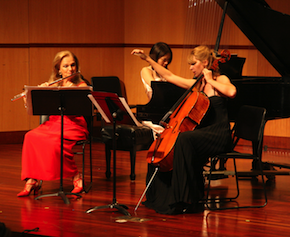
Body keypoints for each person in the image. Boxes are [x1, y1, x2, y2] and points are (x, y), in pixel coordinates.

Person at [131, 45, 237, 214]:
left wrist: (210, 80)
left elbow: (231, 92)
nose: (190, 68)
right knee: (173, 141)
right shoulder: (197, 85)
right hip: (202, 134)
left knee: (184, 140)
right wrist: (148, 59)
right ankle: (163, 195)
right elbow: (169, 75)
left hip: (219, 134)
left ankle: (185, 198)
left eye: (193, 64)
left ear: (204, 63)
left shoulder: (220, 79)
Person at [17, 50, 89, 197]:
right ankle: (32, 179)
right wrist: (35, 94)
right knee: (30, 136)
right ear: (58, 69)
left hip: (74, 125)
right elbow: (38, 107)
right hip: (54, 123)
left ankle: (76, 175)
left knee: (55, 141)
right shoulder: (53, 84)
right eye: (66, 66)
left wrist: (68, 92)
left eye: (73, 65)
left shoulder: (81, 85)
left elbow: (78, 110)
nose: (70, 69)